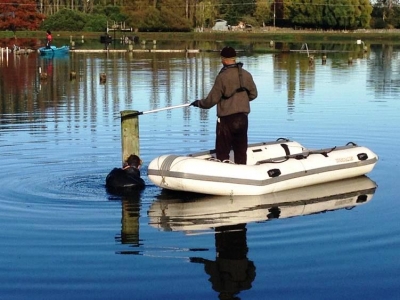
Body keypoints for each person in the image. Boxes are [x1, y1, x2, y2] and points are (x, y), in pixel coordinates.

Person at [190, 46, 258, 165]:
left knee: (222, 151)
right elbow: (253, 94)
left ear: (224, 59)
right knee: (241, 150)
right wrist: (241, 101)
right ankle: (242, 171)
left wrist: (198, 103)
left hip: (226, 120)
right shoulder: (246, 74)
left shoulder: (222, 77)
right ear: (234, 58)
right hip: (242, 118)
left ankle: (222, 173)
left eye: (221, 58)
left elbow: (210, 101)